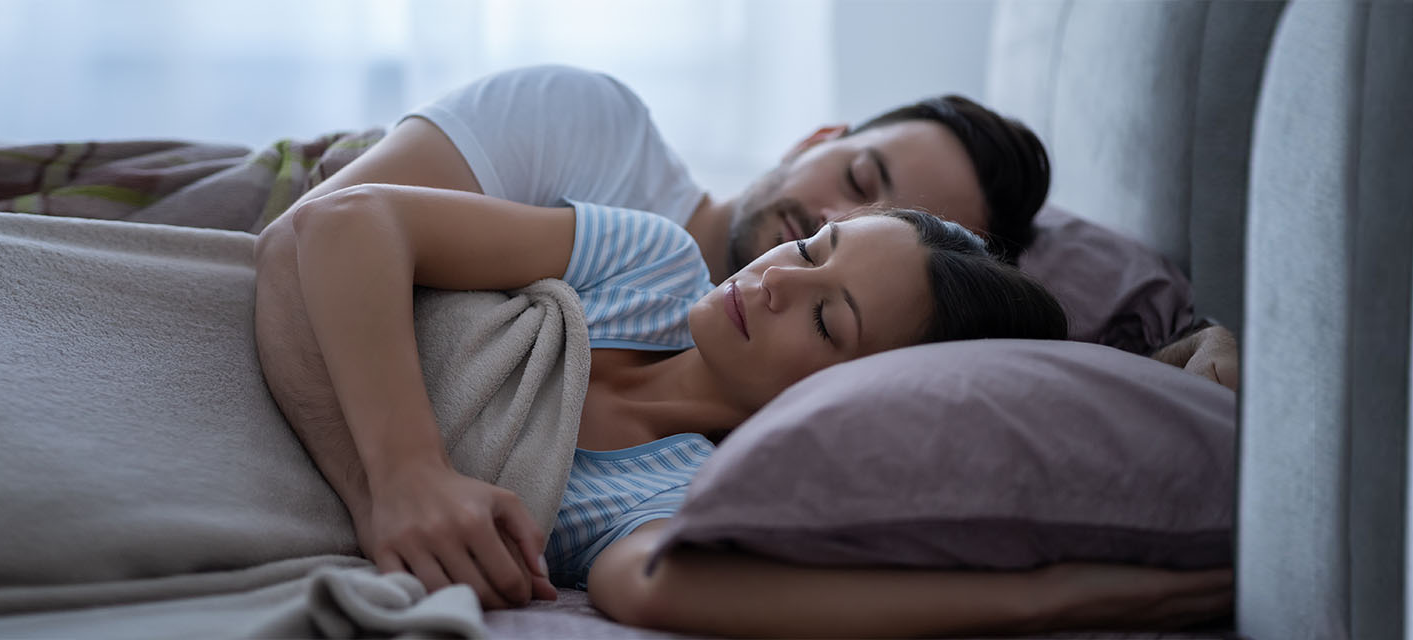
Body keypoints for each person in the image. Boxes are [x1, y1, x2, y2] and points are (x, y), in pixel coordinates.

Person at [253, 184, 1231, 635]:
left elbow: (657, 589)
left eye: (830, 319)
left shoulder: (691, 487)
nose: (771, 284)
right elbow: (347, 219)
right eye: (810, 253)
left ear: (857, 392)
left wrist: (1059, 597)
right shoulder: (647, 261)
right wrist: (405, 476)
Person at [295, 64, 1050, 282]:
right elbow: (303, 240)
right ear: (814, 138)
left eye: (881, 232)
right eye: (857, 180)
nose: (834, 226)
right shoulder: (590, 123)